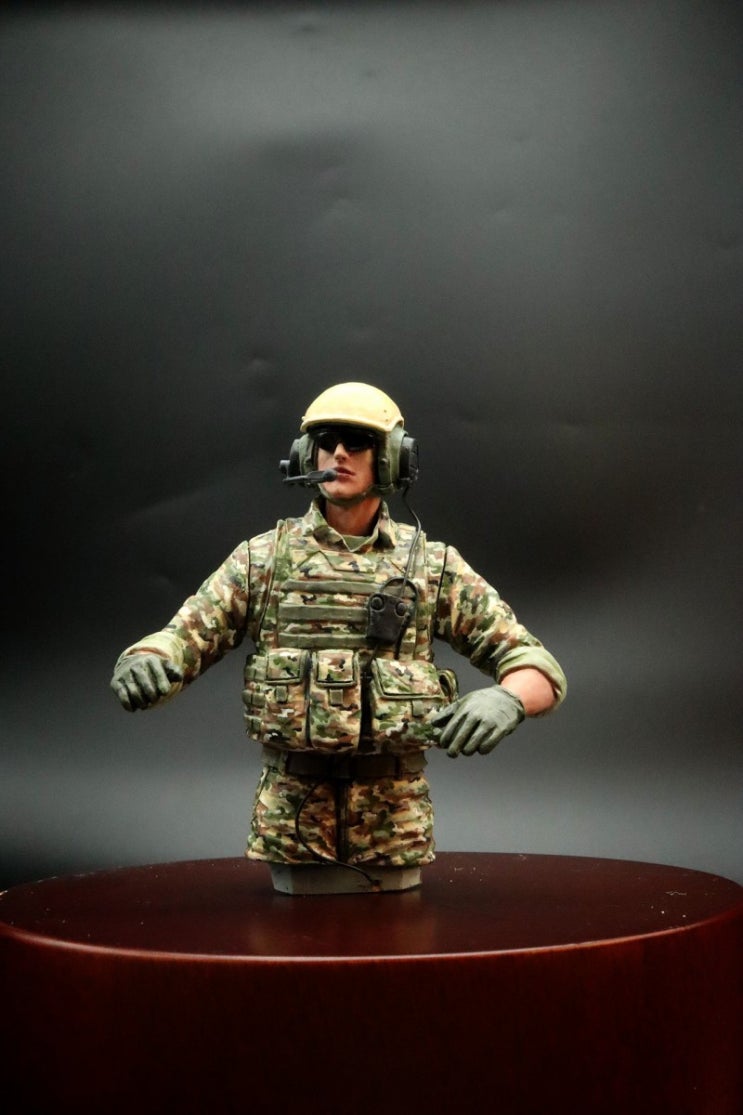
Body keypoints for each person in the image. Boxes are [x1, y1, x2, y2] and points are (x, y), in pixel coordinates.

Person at [111, 383, 566, 893]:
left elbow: (535, 665)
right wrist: (147, 659)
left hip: (393, 825)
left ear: (392, 457)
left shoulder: (432, 567)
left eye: (358, 442)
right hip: (292, 824)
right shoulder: (264, 560)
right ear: (307, 455)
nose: (340, 454)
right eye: (327, 441)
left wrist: (508, 699)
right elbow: (184, 638)